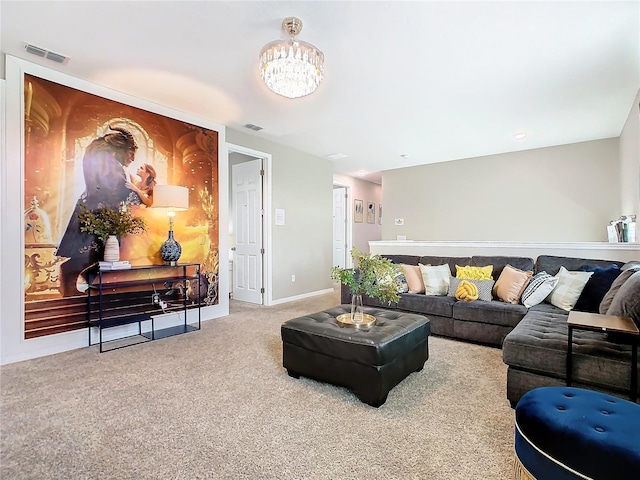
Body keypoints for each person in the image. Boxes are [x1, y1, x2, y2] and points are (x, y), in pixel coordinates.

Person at [55, 125, 139, 296]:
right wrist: (139, 197)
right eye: (131, 154)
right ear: (121, 148)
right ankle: (72, 289)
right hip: (97, 214)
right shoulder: (110, 165)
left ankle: (82, 290)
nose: (131, 159)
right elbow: (117, 189)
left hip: (92, 210)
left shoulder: (102, 160)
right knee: (93, 254)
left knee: (97, 255)